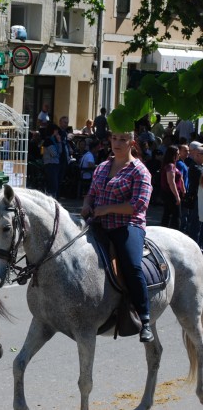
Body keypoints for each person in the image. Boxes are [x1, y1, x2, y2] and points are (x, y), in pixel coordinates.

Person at [80, 131, 154, 342]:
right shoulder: (103, 167)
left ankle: (144, 317)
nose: (117, 143)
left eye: (123, 139)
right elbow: (92, 193)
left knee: (132, 264)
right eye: (114, 139)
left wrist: (107, 209)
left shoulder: (140, 171)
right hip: (99, 224)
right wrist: (87, 204)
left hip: (127, 225)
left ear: (132, 143)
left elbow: (138, 205)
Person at [160, 145, 184, 230]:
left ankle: (164, 231)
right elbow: (171, 182)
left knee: (167, 214)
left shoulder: (172, 165)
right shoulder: (170, 166)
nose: (179, 155)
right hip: (170, 193)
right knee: (176, 216)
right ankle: (174, 233)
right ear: (172, 155)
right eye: (177, 154)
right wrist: (177, 196)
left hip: (170, 193)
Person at [186, 145, 203, 245]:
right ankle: (194, 244)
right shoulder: (195, 167)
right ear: (197, 155)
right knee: (196, 225)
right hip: (197, 199)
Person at [42, 124, 61, 199]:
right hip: (50, 164)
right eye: (56, 130)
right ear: (53, 131)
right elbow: (54, 154)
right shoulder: (48, 141)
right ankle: (51, 199)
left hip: (55, 164)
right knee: (52, 184)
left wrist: (59, 142)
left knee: (54, 184)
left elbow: (60, 151)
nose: (57, 132)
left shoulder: (54, 140)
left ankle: (53, 198)